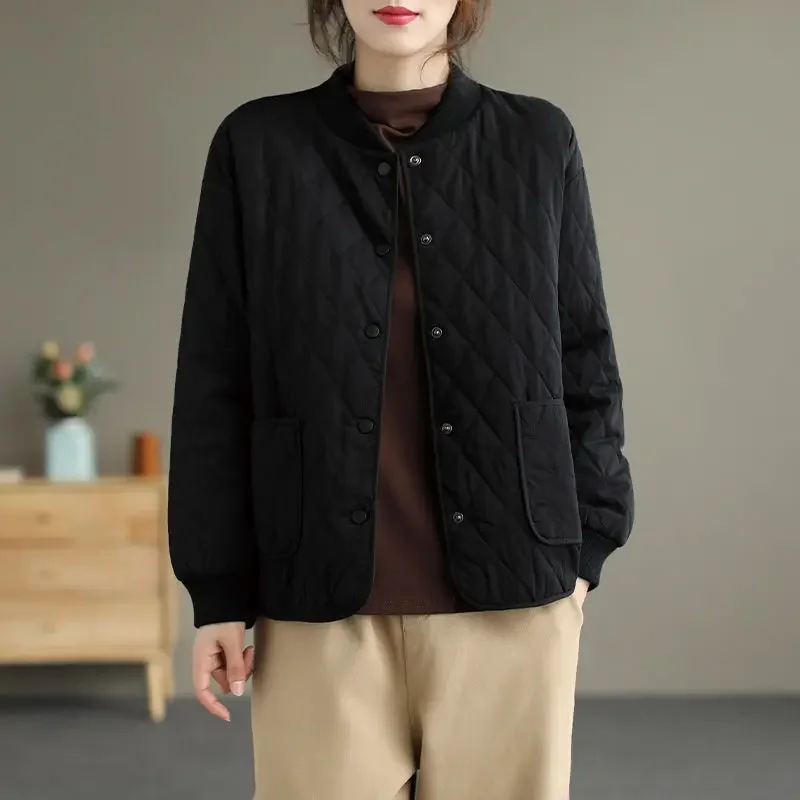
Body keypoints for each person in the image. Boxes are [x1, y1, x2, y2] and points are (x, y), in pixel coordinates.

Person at [168, 1, 634, 797]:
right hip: (316, 601)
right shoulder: (259, 145)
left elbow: (584, 358)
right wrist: (216, 591)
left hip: (513, 598)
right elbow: (215, 376)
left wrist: (587, 548)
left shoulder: (536, 140)